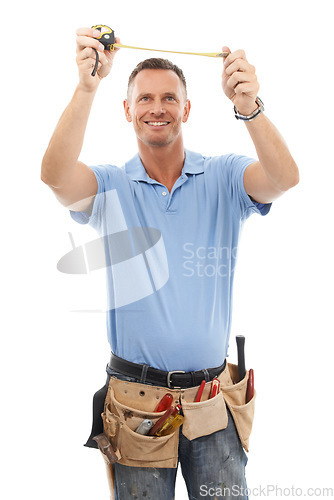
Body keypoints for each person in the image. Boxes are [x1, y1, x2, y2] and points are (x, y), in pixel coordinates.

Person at [41, 26, 299, 500]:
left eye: (168, 98)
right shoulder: (111, 186)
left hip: (211, 404)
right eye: (144, 99)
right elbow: (55, 177)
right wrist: (86, 88)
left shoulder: (223, 175)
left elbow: (284, 178)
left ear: (186, 109)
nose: (156, 108)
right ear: (127, 111)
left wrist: (250, 107)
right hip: (137, 407)